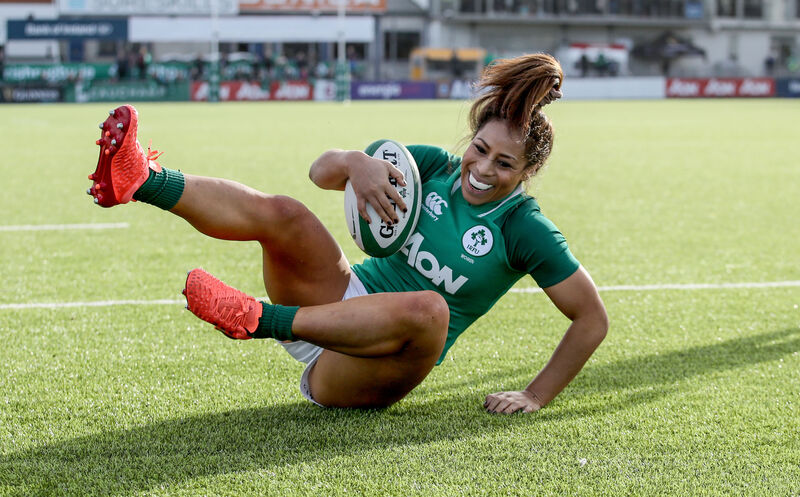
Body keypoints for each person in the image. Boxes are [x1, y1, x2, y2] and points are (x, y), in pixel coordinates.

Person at [86, 53, 608, 414]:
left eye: (504, 163)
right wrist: (356, 163)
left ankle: (259, 321)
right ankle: (140, 179)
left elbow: (591, 318)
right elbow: (320, 174)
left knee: (430, 309)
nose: (483, 168)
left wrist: (535, 395)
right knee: (288, 213)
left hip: (371, 363)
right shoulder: (432, 168)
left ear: (526, 174)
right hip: (334, 303)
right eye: (480, 148)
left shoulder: (525, 228)